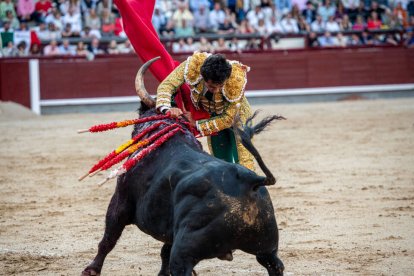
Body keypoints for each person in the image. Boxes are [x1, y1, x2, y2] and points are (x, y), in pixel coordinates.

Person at [155, 52, 255, 170]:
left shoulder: (235, 79)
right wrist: (167, 108)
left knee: (244, 160)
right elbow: (167, 85)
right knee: (220, 159)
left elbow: (228, 119)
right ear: (203, 76)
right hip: (213, 113)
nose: (216, 90)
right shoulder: (193, 65)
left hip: (238, 116)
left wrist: (197, 124)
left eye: (220, 86)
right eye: (212, 86)